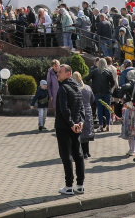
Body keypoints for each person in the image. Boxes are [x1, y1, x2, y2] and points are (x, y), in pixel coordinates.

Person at [54, 64, 85, 196]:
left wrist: (72, 123)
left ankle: (69, 186)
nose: (57, 74)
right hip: (76, 126)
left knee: (66, 156)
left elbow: (64, 109)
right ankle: (80, 185)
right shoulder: (77, 87)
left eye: (60, 72)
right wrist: (81, 122)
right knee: (78, 155)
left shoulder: (63, 88)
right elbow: (82, 106)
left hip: (64, 126)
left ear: (68, 74)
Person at [71, 72, 95, 159]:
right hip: (88, 110)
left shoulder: (73, 89)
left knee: (80, 132)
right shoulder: (88, 88)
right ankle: (87, 152)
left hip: (78, 111)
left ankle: (82, 152)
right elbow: (92, 99)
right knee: (87, 132)